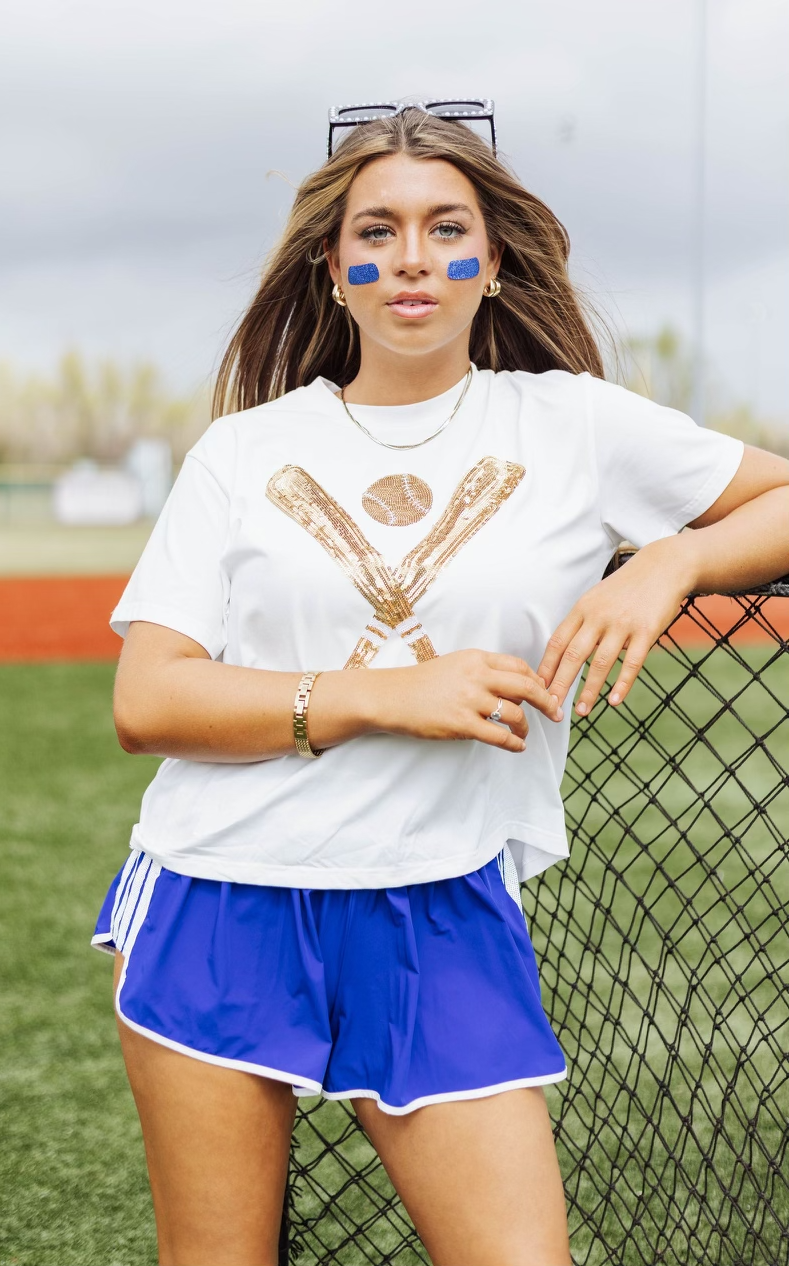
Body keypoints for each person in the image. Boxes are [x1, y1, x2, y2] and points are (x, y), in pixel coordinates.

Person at [91, 103, 789, 1266]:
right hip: (223, 893)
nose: (411, 257)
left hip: (440, 899)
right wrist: (376, 697)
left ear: (493, 259)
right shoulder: (245, 452)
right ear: (334, 268)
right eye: (376, 231)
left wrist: (672, 559)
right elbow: (148, 700)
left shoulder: (572, 426)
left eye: (444, 228)